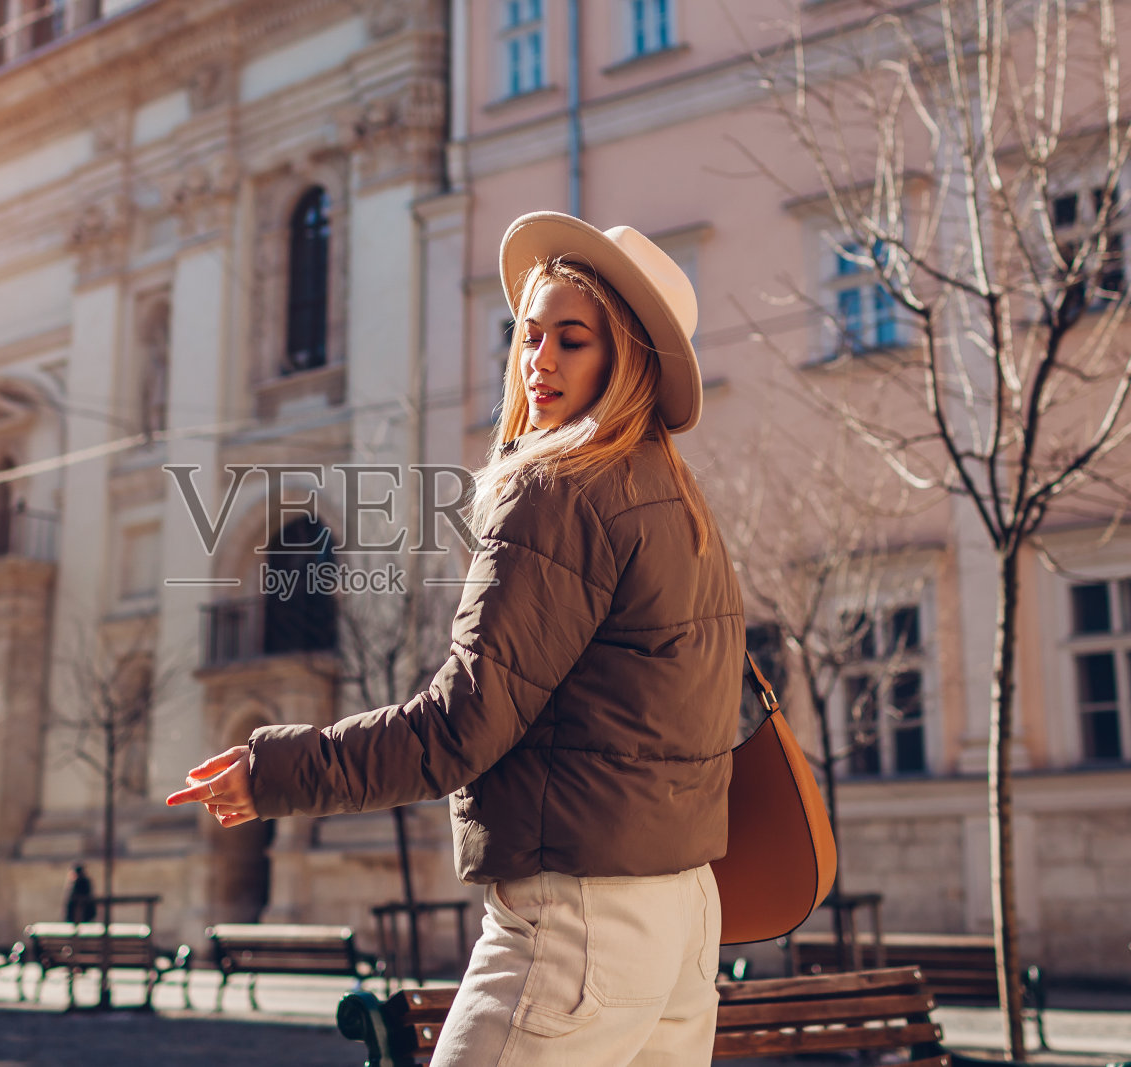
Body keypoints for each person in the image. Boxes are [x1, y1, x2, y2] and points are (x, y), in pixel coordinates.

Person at [168, 212, 743, 1067]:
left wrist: (279, 769)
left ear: (626, 360)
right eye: (529, 335)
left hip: (580, 918)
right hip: (684, 915)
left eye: (572, 340)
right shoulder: (678, 500)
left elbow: (460, 725)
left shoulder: (558, 488)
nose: (538, 360)